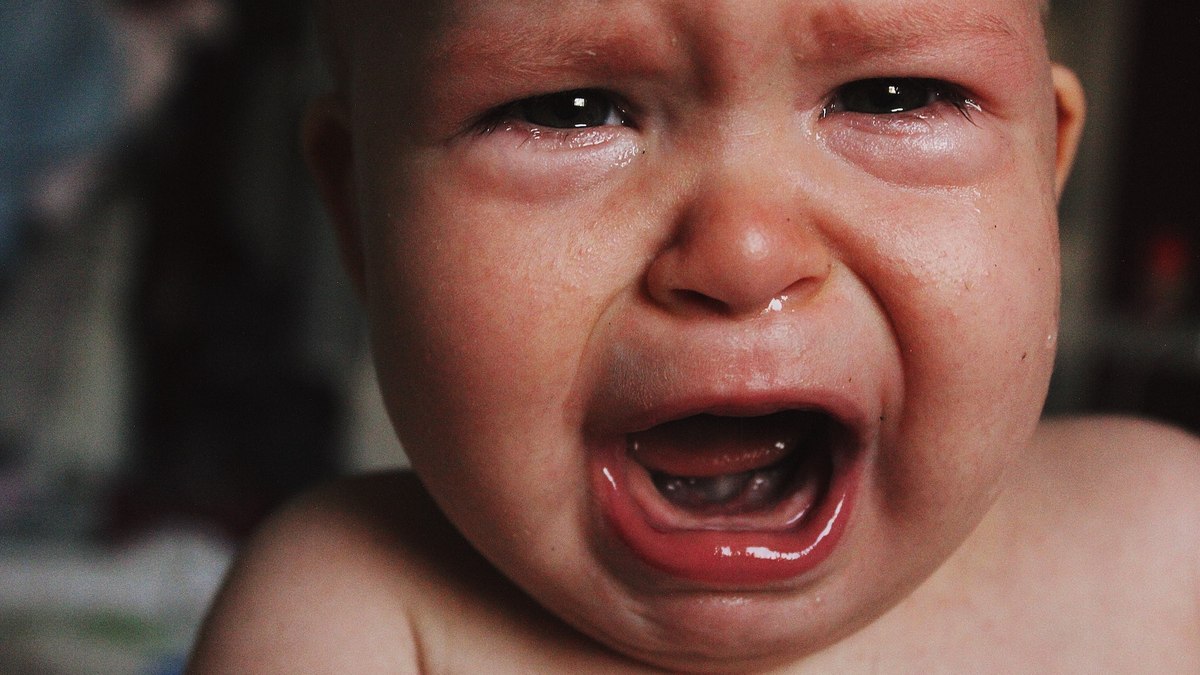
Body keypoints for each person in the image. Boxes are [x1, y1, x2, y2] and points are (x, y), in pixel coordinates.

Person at [188, 0, 1200, 671]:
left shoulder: (1165, 551)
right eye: (566, 107)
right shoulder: (357, 622)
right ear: (362, 217)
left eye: (893, 96)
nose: (744, 252)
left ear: (1044, 174)